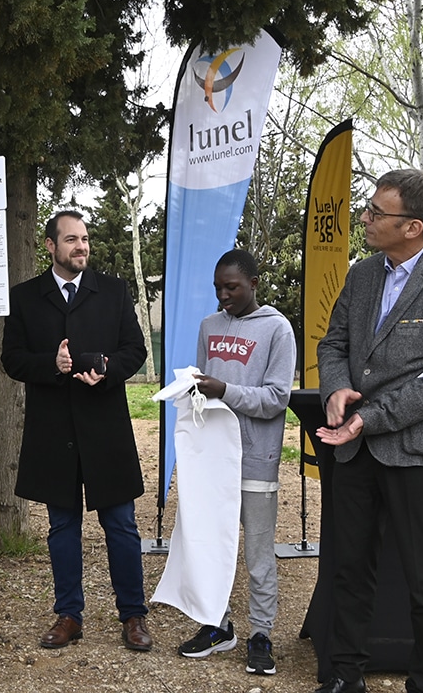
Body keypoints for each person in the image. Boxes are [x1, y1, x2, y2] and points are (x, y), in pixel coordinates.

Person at [315, 169, 423, 693]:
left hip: (420, 454)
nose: (364, 218)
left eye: (375, 213)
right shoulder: (363, 274)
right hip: (355, 452)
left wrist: (370, 417)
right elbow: (332, 344)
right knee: (346, 569)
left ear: (413, 226)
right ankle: (344, 676)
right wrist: (337, 391)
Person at [0, 210, 154, 653]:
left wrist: (106, 370)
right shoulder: (27, 297)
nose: (80, 246)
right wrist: (53, 363)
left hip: (105, 427)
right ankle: (69, 615)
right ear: (50, 246)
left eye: (84, 239)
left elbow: (135, 349)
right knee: (61, 527)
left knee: (121, 525)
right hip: (53, 431)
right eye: (71, 240)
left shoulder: (113, 291)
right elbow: (12, 359)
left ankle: (133, 615)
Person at [177, 250, 296, 675]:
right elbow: (202, 389)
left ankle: (260, 634)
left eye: (232, 287)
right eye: (218, 288)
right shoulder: (209, 325)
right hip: (213, 460)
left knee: (258, 554)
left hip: (256, 459)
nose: (223, 295)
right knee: (212, 547)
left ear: (254, 284)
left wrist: (223, 388)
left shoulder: (277, 329)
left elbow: (277, 398)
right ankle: (217, 624)